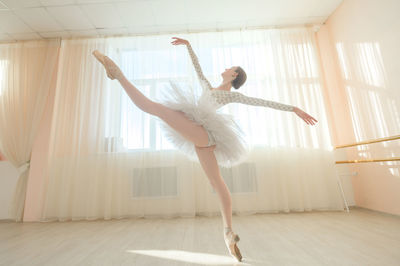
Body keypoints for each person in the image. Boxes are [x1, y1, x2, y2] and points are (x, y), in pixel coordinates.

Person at [92, 37, 318, 262]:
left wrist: (293, 109)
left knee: (155, 108)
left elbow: (261, 102)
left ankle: (117, 74)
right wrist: (189, 46)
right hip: (203, 139)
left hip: (203, 134)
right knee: (217, 183)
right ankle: (228, 232)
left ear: (235, 75)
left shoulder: (232, 94)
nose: (226, 67)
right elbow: (197, 67)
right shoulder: (209, 87)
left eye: (231, 67)